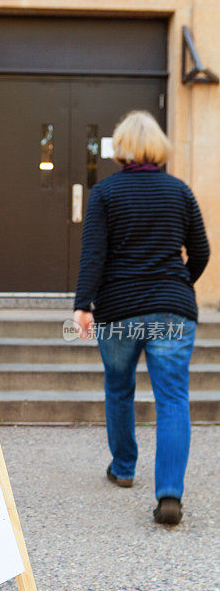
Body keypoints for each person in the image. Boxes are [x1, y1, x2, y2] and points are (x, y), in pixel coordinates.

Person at [73, 110, 210, 525]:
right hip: (172, 310)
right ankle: (169, 494)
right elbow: (201, 250)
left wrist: (83, 304)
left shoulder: (105, 193)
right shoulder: (179, 191)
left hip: (118, 312)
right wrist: (181, 282)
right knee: (173, 399)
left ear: (122, 148)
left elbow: (94, 253)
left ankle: (124, 468)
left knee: (119, 388)